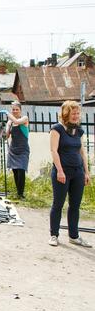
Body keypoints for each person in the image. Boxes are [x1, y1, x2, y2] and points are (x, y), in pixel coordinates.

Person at [48, 100, 91, 247]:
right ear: (66, 114)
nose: (76, 116)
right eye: (73, 113)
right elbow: (54, 151)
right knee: (58, 204)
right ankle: (54, 235)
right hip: (62, 172)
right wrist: (59, 170)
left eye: (78, 113)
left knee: (75, 205)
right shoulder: (57, 129)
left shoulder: (78, 130)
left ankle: (74, 236)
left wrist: (86, 172)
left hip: (78, 172)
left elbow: (82, 152)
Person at [0, 102, 30, 198]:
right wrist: (3, 130)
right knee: (15, 171)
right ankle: (18, 193)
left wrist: (7, 114)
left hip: (23, 150)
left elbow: (17, 121)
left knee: (21, 170)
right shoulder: (10, 122)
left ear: (20, 110)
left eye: (17, 109)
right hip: (13, 150)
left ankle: (21, 193)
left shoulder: (24, 119)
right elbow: (6, 137)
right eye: (13, 109)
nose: (15, 111)